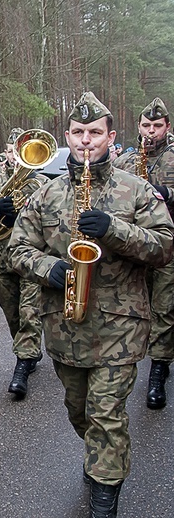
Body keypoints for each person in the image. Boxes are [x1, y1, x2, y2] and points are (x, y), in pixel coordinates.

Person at [8, 92, 174, 518]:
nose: (86, 141)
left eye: (95, 133)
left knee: (106, 412)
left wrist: (115, 229)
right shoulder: (46, 195)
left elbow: (165, 247)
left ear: (110, 137)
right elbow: (17, 249)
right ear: (68, 136)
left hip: (121, 326)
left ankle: (105, 491)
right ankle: (102, 455)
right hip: (65, 325)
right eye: (79, 133)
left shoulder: (135, 189)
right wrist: (51, 268)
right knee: (78, 409)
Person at [0, 128, 47, 399]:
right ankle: (29, 349)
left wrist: (24, 217)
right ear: (7, 153)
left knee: (29, 311)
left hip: (30, 260)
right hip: (1, 260)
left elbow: (49, 219)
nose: (17, 155)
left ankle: (23, 364)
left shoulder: (39, 185)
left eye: (22, 150)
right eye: (14, 150)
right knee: (11, 311)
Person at [113, 97, 174, 409]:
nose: (151, 131)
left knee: (164, 308)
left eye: (157, 126)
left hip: (166, 247)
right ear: (138, 126)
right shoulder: (125, 161)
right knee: (137, 306)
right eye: (146, 125)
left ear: (167, 127)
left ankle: (159, 370)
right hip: (133, 246)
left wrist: (168, 193)